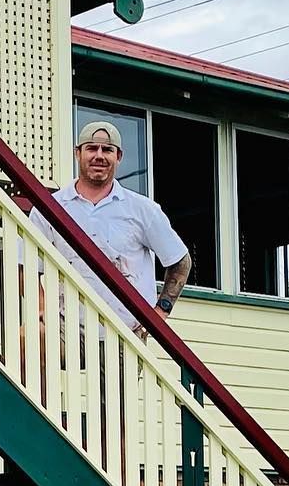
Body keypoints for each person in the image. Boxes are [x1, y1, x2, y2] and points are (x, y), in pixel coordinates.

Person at [30, 119, 191, 335]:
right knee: (27, 340)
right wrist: (42, 307)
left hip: (125, 336)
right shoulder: (50, 207)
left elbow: (180, 261)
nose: (99, 155)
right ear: (78, 153)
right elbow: (25, 265)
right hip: (66, 330)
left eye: (107, 149)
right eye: (91, 148)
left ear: (118, 157)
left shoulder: (142, 209)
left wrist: (159, 314)